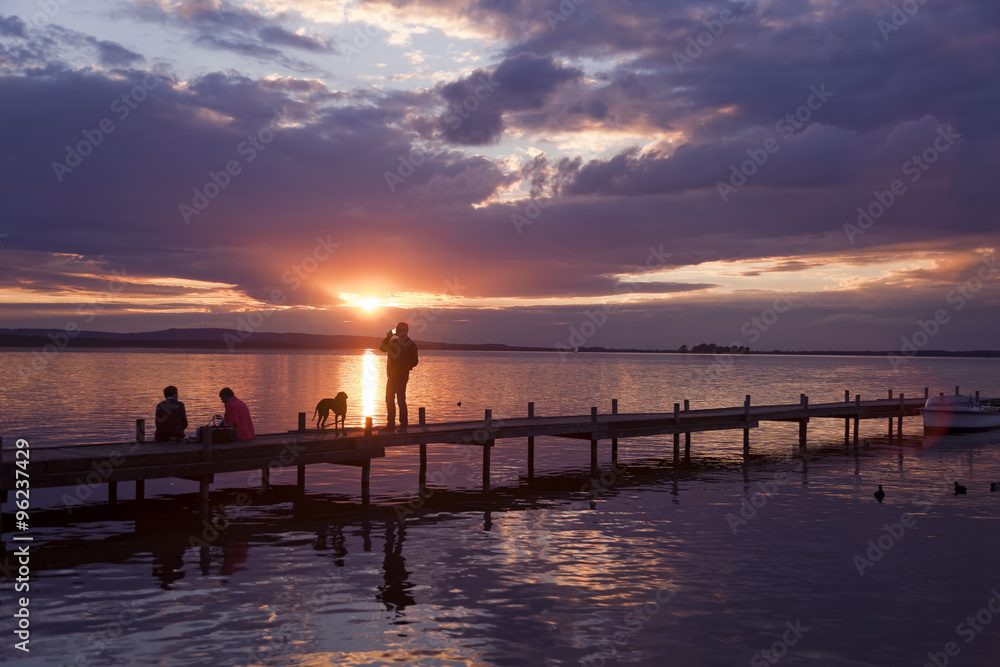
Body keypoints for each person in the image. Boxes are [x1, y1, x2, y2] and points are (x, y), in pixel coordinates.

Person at [379, 321, 418, 433]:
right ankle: (390, 424)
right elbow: (382, 348)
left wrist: (404, 367)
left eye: (398, 329)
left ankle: (403, 425)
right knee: (389, 399)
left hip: (402, 375)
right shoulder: (394, 342)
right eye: (397, 329)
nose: (397, 331)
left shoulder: (411, 344)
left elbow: (415, 361)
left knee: (401, 399)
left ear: (404, 331)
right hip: (392, 374)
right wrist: (388, 337)